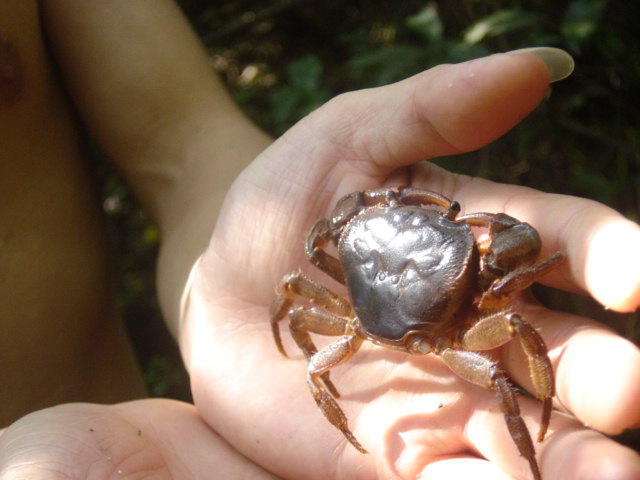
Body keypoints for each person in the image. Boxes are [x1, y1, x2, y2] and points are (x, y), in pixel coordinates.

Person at [0, 0, 638, 479]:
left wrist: (226, 302)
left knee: (314, 345)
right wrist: (477, 234)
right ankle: (537, 426)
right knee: (510, 340)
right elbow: (517, 274)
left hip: (359, 337)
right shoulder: (461, 276)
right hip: (439, 337)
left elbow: (185, 153)